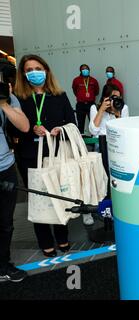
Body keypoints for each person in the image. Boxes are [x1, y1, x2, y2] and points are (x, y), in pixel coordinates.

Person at [14, 54, 78, 256]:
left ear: (46, 70)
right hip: (30, 156)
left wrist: (60, 129)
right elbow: (11, 130)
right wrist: (29, 129)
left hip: (57, 153)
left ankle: (62, 237)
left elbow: (73, 123)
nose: (34, 73)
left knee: (58, 195)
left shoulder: (59, 95)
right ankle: (45, 241)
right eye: (29, 70)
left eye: (38, 68)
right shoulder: (18, 99)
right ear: (23, 74)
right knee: (39, 198)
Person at [0, 85, 30, 282]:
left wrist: (4, 102)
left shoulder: (7, 97)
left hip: (5, 168)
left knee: (5, 223)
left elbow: (24, 126)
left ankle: (3, 266)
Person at [72, 64, 99, 134]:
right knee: (80, 123)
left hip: (91, 104)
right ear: (80, 71)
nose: (85, 70)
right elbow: (75, 90)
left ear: (89, 70)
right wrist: (81, 96)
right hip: (80, 105)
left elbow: (96, 91)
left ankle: (93, 140)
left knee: (93, 122)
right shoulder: (76, 80)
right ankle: (81, 139)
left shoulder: (94, 80)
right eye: (83, 69)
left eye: (86, 69)